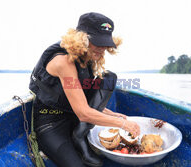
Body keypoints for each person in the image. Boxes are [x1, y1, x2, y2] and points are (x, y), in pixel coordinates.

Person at [29, 12, 140, 167]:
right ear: (82, 39)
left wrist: (111, 114)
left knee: (108, 78)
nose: (102, 49)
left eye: (105, 43)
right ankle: (79, 138)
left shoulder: (86, 56)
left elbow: (81, 99)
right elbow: (83, 112)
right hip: (51, 122)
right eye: (98, 43)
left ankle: (79, 135)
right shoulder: (63, 61)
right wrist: (122, 124)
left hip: (73, 116)